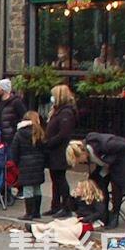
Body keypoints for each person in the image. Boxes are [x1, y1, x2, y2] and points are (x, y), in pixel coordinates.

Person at [66, 133, 125, 229]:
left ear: (82, 153)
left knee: (116, 185)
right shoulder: (89, 152)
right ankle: (102, 213)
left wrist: (111, 159)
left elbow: (123, 145)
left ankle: (115, 215)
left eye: (78, 160)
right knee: (96, 181)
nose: (80, 163)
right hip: (107, 166)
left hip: (124, 164)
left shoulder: (104, 145)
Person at [44, 85, 77, 218]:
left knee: (60, 179)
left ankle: (66, 207)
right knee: (55, 179)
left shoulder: (66, 113)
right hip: (53, 151)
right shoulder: (58, 111)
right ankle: (55, 205)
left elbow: (64, 133)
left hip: (59, 151)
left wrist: (49, 142)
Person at [11, 113, 47, 221]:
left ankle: (28, 213)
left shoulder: (20, 133)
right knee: (37, 187)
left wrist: (16, 162)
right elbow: (45, 148)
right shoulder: (39, 132)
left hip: (25, 163)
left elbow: (15, 150)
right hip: (38, 163)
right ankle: (36, 212)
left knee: (28, 188)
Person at [0, 79, 26, 150]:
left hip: (11, 138)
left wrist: (14, 128)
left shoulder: (16, 102)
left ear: (3, 89)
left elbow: (24, 117)